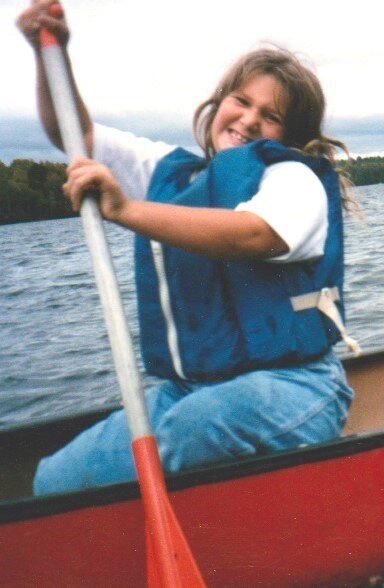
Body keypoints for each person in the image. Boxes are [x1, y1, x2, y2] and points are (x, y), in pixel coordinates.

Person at [17, 0, 359, 495]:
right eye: (241, 101)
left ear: (292, 135)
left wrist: (127, 211)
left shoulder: (294, 179)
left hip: (298, 386)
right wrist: (51, 55)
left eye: (272, 115)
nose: (249, 118)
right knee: (56, 481)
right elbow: (75, 136)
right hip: (190, 388)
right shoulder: (172, 174)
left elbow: (255, 233)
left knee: (195, 429)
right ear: (220, 102)